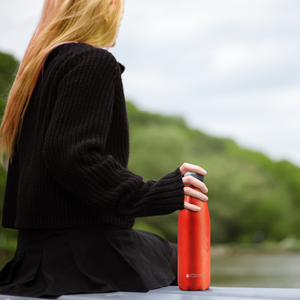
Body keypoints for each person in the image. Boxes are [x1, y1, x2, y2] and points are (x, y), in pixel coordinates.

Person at [0, 0, 208, 298]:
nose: (121, 17)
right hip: (83, 258)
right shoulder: (92, 61)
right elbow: (72, 154)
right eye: (117, 7)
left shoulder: (35, 72)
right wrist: (153, 194)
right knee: (183, 258)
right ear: (100, 10)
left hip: (33, 257)